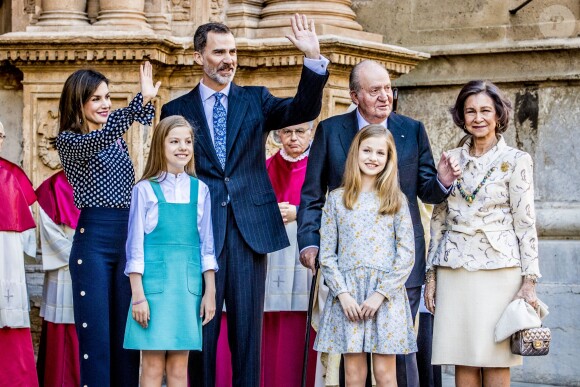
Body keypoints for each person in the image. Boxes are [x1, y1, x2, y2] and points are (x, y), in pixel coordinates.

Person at [160, 14, 329, 387]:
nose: (228, 59)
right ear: (198, 57)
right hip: (198, 233)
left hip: (248, 232)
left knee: (247, 336)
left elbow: (302, 110)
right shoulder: (175, 110)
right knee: (200, 336)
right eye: (219, 51)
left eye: (233, 51)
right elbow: (168, 174)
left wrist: (313, 60)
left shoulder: (256, 99)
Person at [298, 59, 460, 387]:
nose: (385, 96)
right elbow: (313, 194)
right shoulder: (331, 131)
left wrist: (442, 180)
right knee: (352, 360)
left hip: (400, 271)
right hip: (348, 267)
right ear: (354, 95)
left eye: (388, 88)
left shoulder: (411, 129)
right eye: (375, 90)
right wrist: (310, 242)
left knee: (398, 358)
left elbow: (427, 190)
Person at [424, 80, 541, 386]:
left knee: (496, 358)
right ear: (461, 117)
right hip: (455, 268)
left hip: (500, 269)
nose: (478, 117)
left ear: (498, 115)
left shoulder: (516, 160)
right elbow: (439, 218)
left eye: (485, 110)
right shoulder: (450, 158)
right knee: (464, 358)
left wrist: (529, 282)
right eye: (470, 111)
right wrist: (431, 276)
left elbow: (525, 222)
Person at [56, 62, 160, 386]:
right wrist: (137, 102)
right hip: (93, 245)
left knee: (126, 342)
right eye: (96, 99)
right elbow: (102, 137)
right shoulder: (70, 142)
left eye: (108, 97)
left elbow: (144, 119)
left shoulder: (115, 140)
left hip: (125, 242)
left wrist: (146, 101)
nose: (105, 104)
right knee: (97, 344)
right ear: (79, 103)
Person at [314, 125, 417, 387]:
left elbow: (406, 254)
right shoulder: (337, 200)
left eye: (380, 153)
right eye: (367, 150)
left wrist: (380, 294)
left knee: (384, 374)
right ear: (355, 154)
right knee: (353, 375)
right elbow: (327, 254)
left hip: (384, 297)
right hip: (348, 296)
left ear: (388, 159)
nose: (373, 157)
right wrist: (343, 294)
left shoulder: (396, 200)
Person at [123, 115, 217, 386]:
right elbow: (135, 249)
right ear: (160, 146)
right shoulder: (144, 190)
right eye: (174, 141)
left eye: (187, 141)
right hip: (152, 291)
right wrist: (138, 296)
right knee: (151, 367)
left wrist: (209, 292)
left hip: (186, 290)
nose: (182, 147)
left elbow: (207, 247)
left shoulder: (201, 190)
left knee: (179, 368)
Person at [0, 120, 39, 387]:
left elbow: (26, 236)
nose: (0, 139)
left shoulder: (11, 175)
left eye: (1, 134)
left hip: (7, 257)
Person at [35, 170, 81, 386]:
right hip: (64, 262)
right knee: (61, 330)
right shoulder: (53, 185)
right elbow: (46, 227)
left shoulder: (102, 179)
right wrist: (77, 256)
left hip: (93, 261)